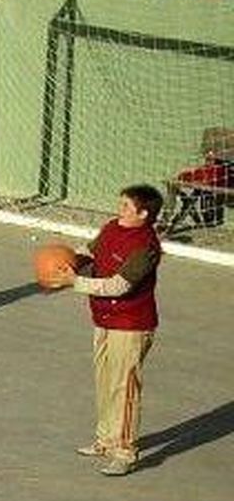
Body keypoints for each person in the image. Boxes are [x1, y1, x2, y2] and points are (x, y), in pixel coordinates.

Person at [47, 184, 165, 477]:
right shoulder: (112, 228)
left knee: (124, 388)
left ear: (144, 213)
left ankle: (125, 451)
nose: (119, 209)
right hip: (103, 319)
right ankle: (105, 440)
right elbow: (89, 251)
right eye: (120, 203)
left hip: (131, 325)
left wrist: (74, 282)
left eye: (126, 206)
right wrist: (65, 261)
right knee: (104, 381)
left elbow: (118, 286)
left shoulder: (146, 248)